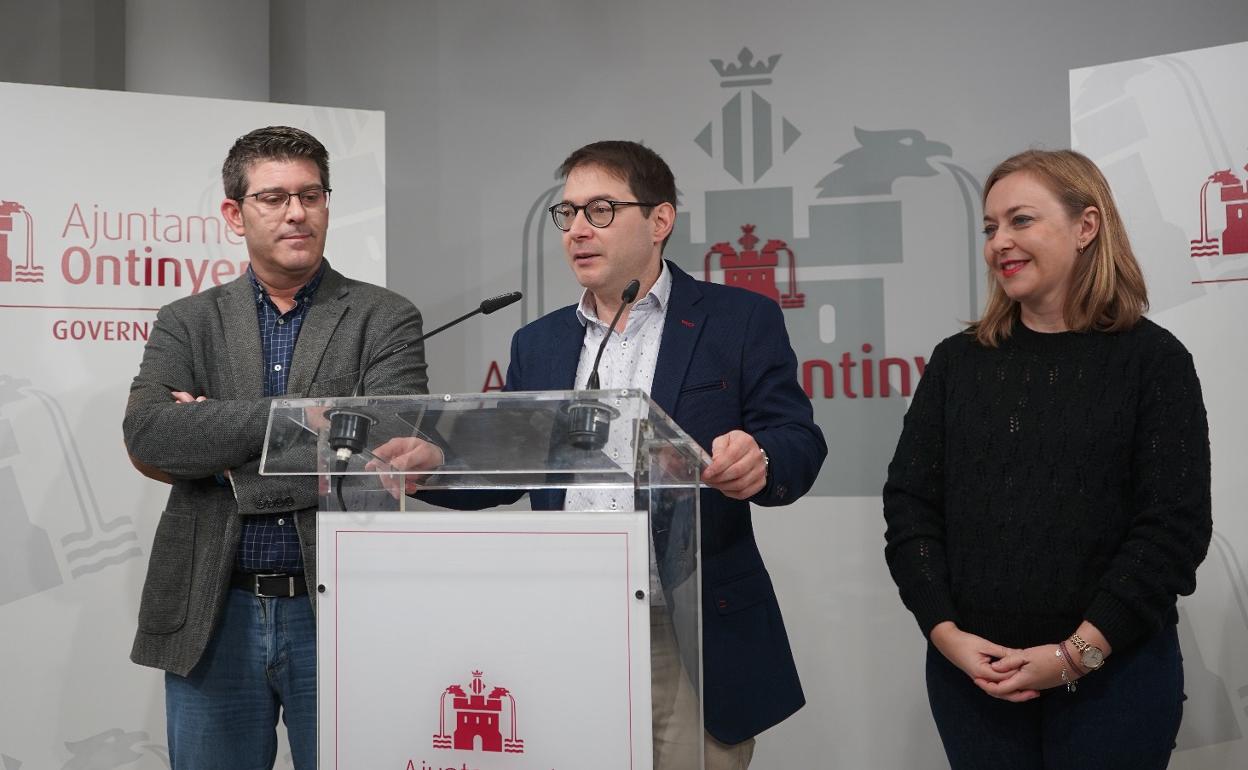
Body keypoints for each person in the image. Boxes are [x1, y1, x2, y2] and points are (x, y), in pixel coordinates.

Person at [383, 140, 826, 768]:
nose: (577, 231)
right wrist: (433, 466)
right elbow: (510, 466)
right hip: (567, 621)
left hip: (686, 624)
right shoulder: (539, 343)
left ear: (660, 221)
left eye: (600, 210)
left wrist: (761, 458)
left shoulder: (738, 320)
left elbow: (797, 438)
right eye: (567, 215)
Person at [882, 149, 1211, 769]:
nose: (998, 242)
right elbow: (911, 508)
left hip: (1115, 682)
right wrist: (946, 635)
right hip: (975, 683)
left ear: (1087, 227)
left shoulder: (1155, 362)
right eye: (989, 227)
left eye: (1020, 221)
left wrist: (1075, 655)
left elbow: (1173, 529)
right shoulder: (958, 363)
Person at [122, 126, 428, 770]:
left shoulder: (385, 316)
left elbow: (375, 456)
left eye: (311, 195)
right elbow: (150, 434)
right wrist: (299, 419)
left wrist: (222, 445)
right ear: (236, 213)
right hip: (215, 609)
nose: (297, 212)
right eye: (274, 198)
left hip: (340, 605)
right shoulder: (188, 320)